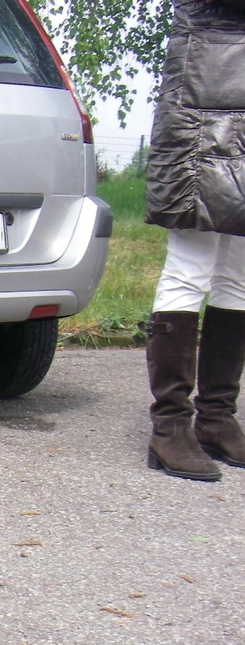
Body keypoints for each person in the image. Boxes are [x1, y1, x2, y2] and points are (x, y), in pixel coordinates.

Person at [143, 0, 245, 481]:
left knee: (240, 272)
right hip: (208, 91)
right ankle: (169, 429)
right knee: (192, 264)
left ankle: (217, 419)